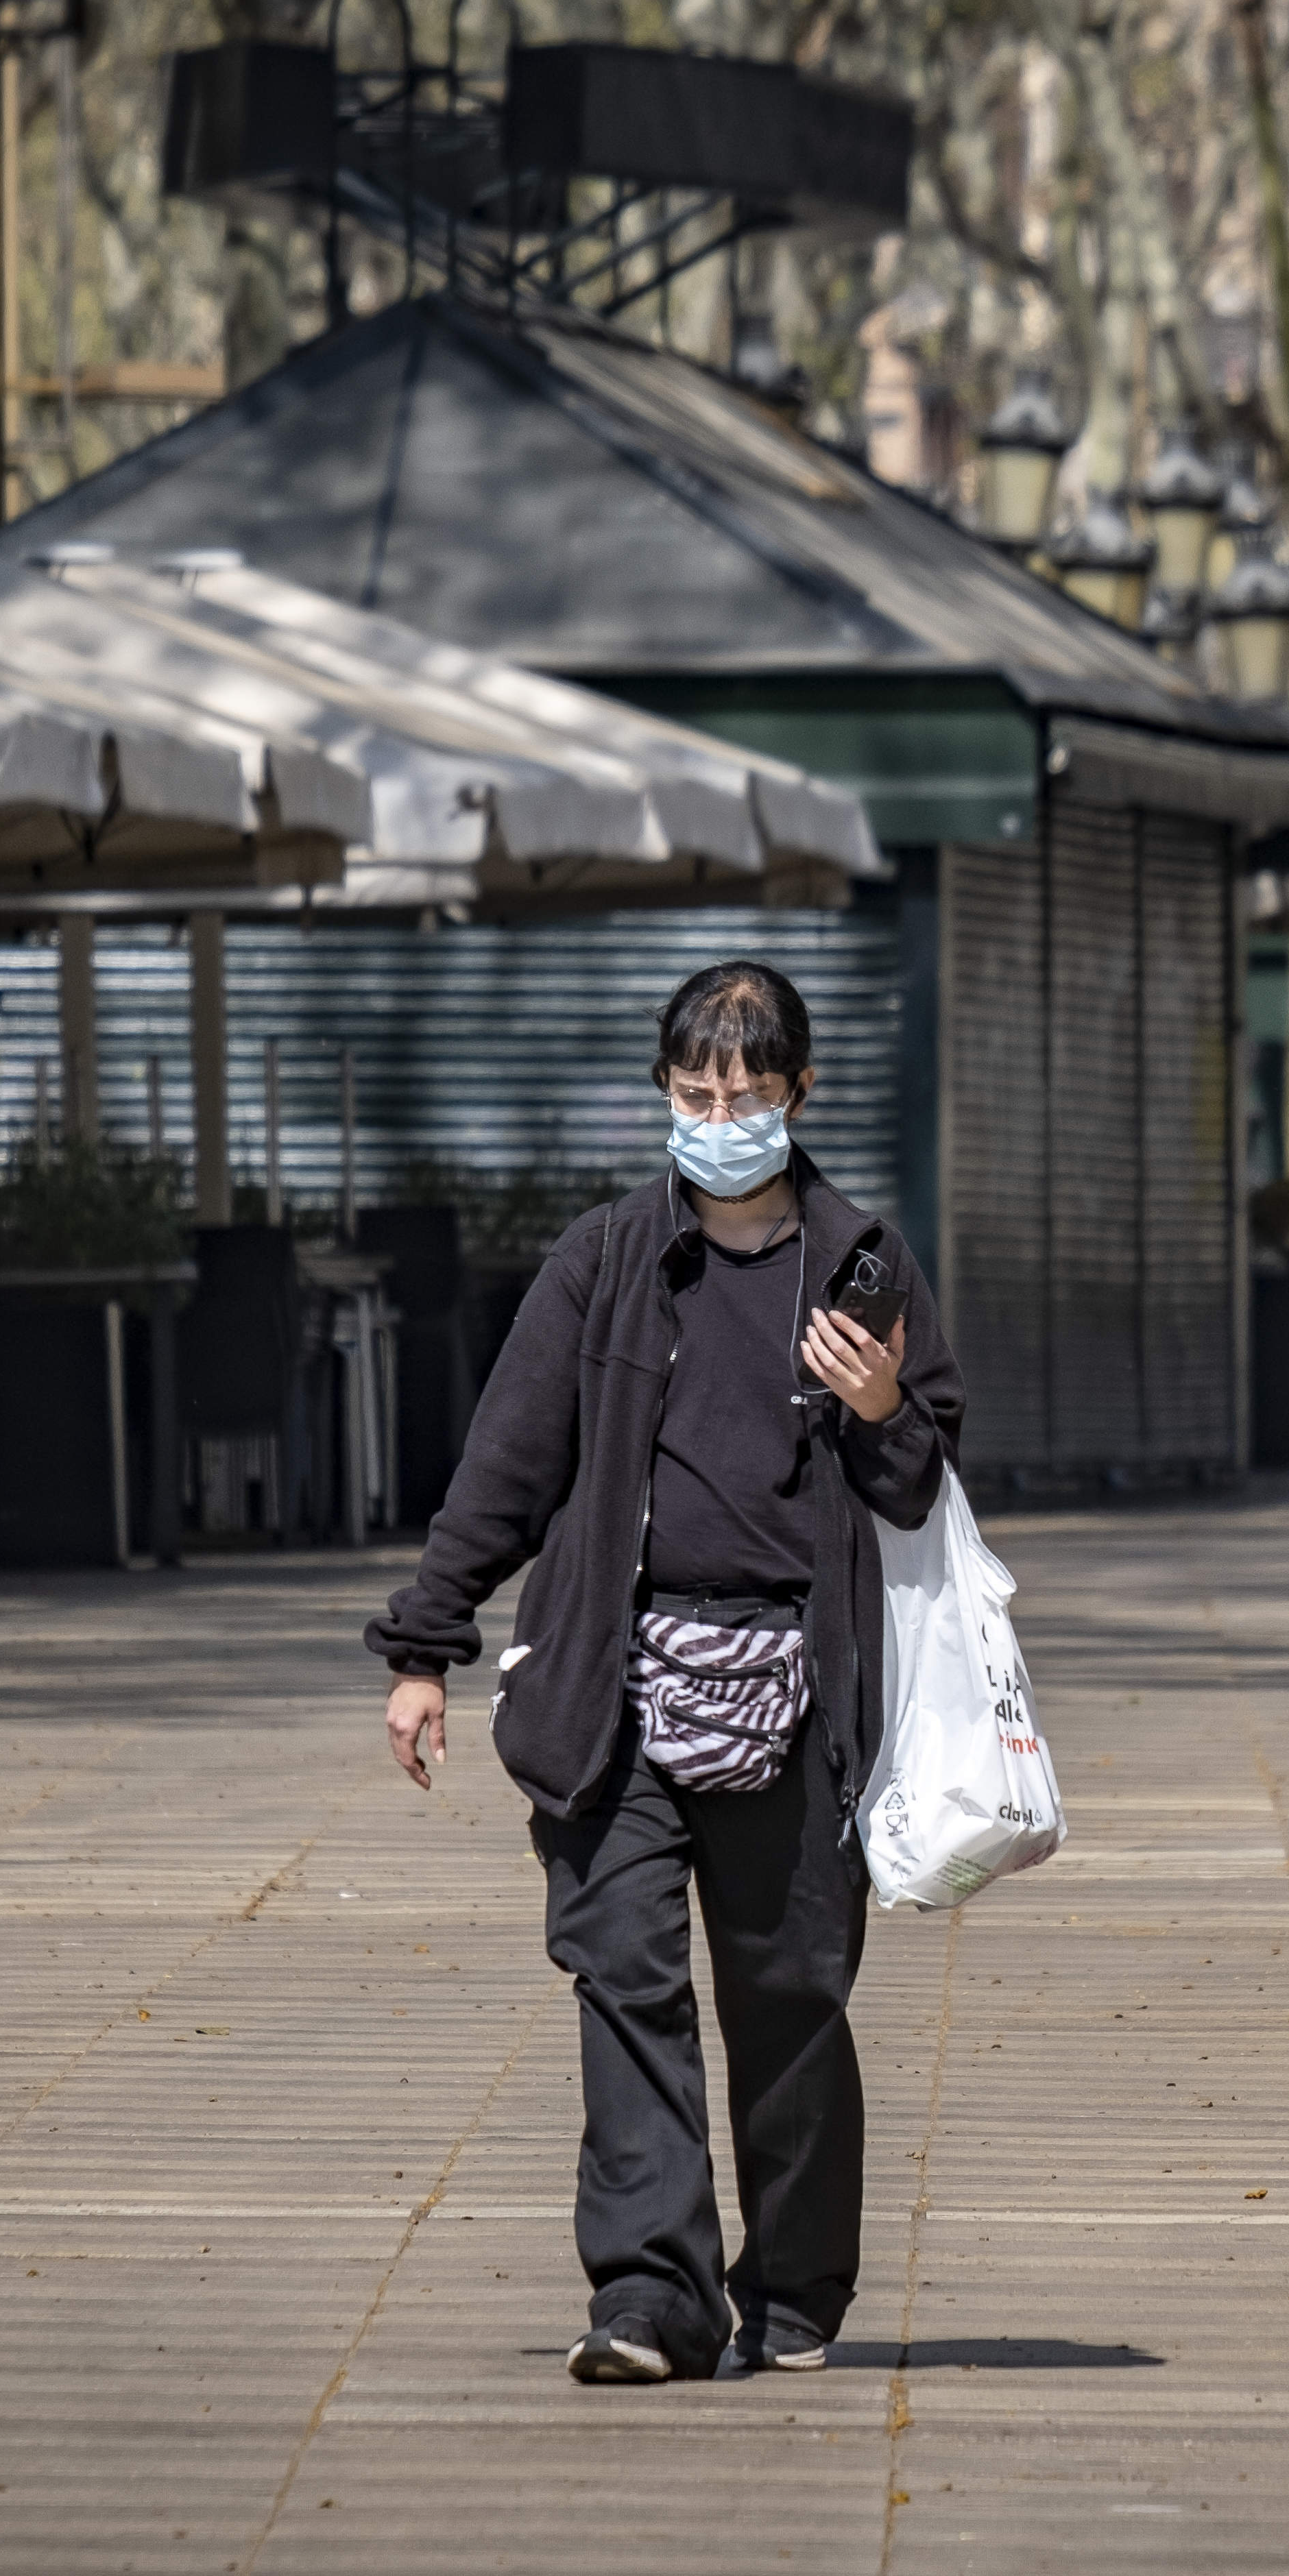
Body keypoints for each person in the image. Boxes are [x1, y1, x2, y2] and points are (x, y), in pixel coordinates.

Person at [369, 961, 961, 2385]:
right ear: (665, 1096)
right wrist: (423, 1644)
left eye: (748, 1094)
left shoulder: (863, 1261)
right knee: (621, 1972)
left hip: (796, 1693)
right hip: (615, 1685)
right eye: (696, 1095)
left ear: (798, 1092)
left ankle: (799, 2288)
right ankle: (649, 2298)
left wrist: (880, 1405)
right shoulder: (605, 1260)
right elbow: (509, 1462)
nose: (721, 1117)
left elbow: (919, 1478)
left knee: (790, 1997)